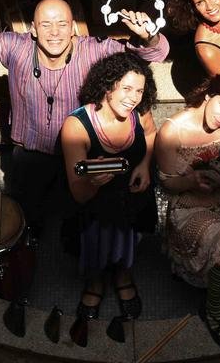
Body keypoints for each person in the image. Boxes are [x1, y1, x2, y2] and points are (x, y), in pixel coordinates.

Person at [0, 0, 169, 235]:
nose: (54, 33)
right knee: (29, 217)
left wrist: (148, 36)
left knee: (75, 217)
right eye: (46, 24)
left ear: (73, 28)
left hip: (78, 152)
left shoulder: (92, 49)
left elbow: (150, 55)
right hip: (30, 154)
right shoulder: (16, 46)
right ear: (33, 29)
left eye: (62, 24)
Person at [154, 72, 220, 350]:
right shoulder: (172, 132)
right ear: (209, 95)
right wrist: (191, 181)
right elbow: (167, 184)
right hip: (188, 205)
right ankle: (213, 311)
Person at [60, 52, 157, 324]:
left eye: (139, 90)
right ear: (107, 85)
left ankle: (123, 275)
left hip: (131, 199)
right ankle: (96, 282)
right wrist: (92, 183)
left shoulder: (140, 112)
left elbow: (151, 133)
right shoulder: (76, 126)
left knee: (127, 242)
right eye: (126, 88)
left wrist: (144, 165)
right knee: (96, 246)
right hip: (94, 208)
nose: (134, 98)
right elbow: (79, 194)